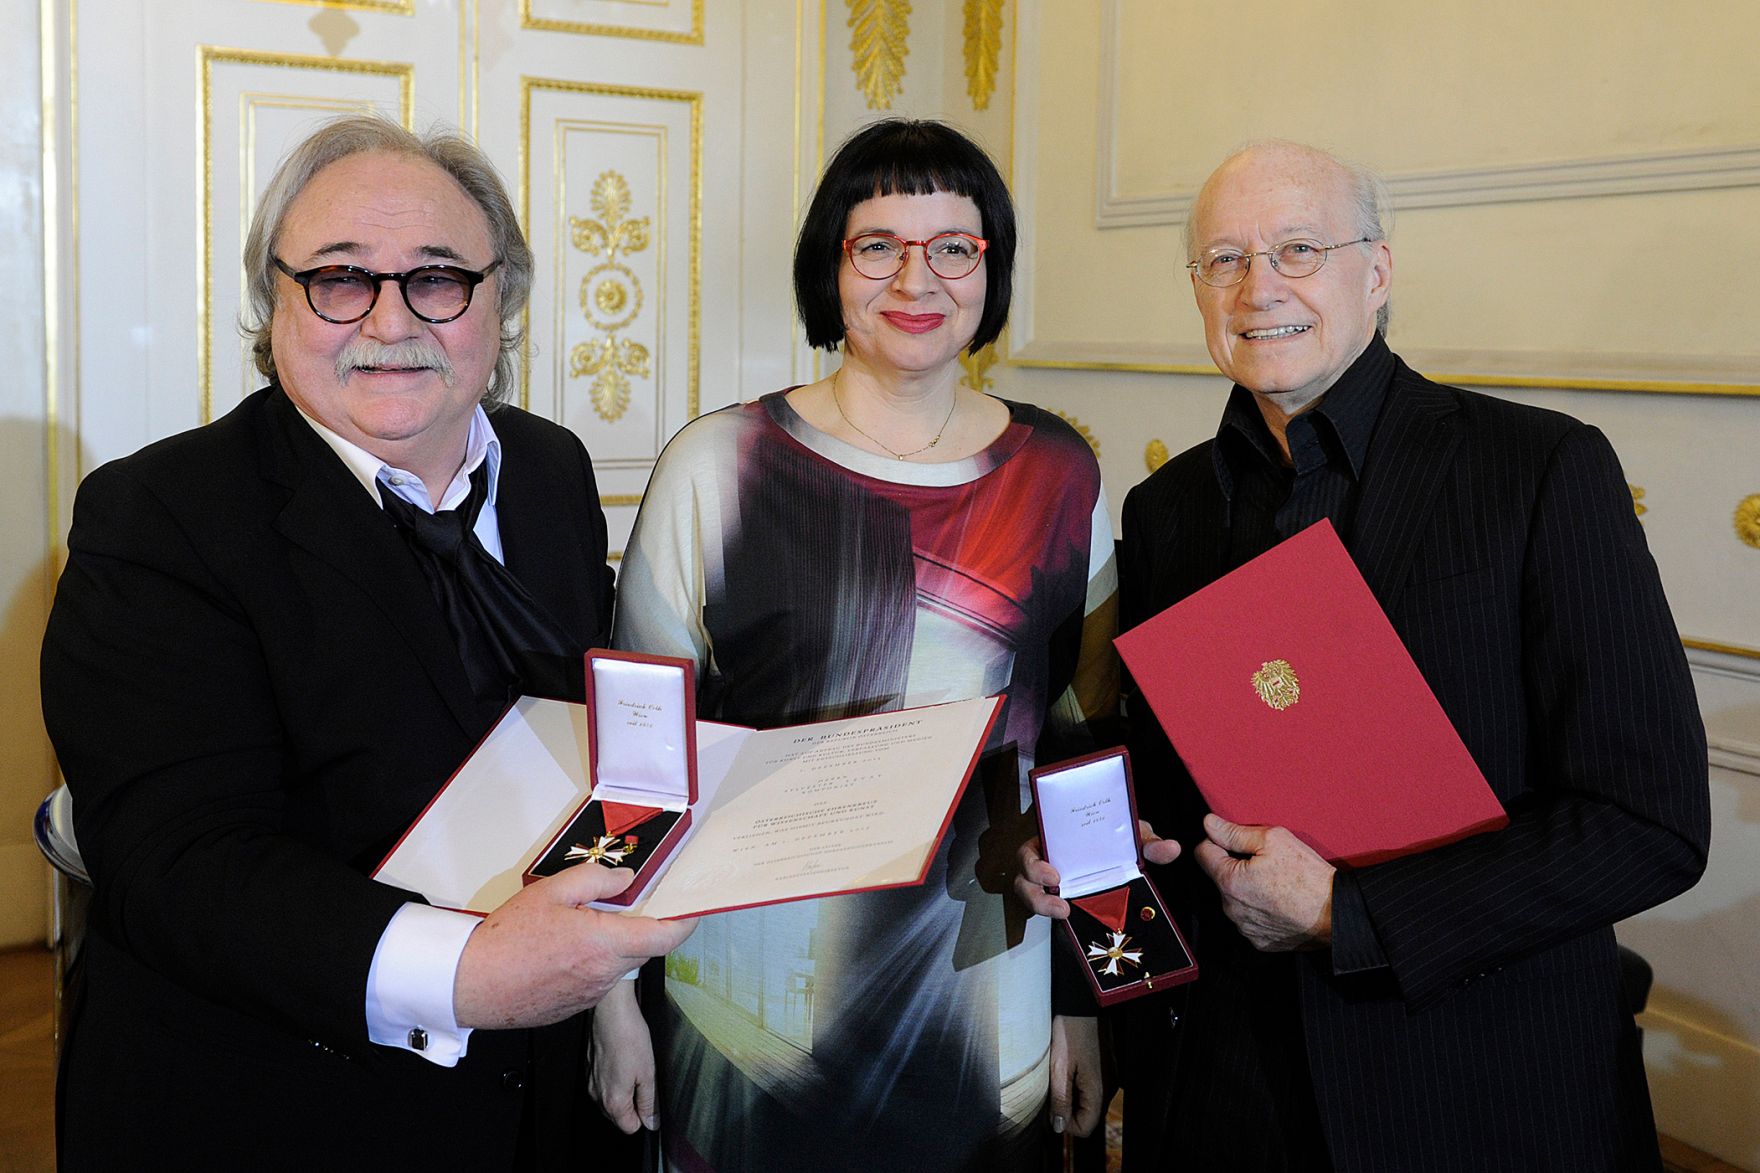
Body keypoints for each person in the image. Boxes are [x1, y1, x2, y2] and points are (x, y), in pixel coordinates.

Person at [1021, 139, 1711, 1171]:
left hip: (1468, 1083)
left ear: (1374, 273)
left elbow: (1648, 822)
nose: (1259, 288)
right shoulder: (1164, 512)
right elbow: (1150, 799)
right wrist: (1083, 924)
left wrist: (1349, 912)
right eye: (1223, 260)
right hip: (1219, 1087)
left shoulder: (1537, 470)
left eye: (1297, 249)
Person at [40, 115, 694, 1168]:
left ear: (500, 299)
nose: (391, 320)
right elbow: (178, 865)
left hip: (541, 1097)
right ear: (274, 300)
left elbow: (580, 750)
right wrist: (468, 975)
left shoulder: (550, 471)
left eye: (438, 277)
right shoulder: (158, 514)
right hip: (273, 1105)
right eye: (339, 278)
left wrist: (609, 996)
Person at [588, 118, 1119, 1171]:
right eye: (876, 244)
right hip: (744, 1008)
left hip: (987, 1000)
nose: (914, 277)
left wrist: (1087, 1000)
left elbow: (1081, 753)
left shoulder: (1061, 471)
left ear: (990, 268)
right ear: (827, 266)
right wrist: (607, 1002)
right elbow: (632, 767)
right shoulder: (718, 464)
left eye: (952, 246)